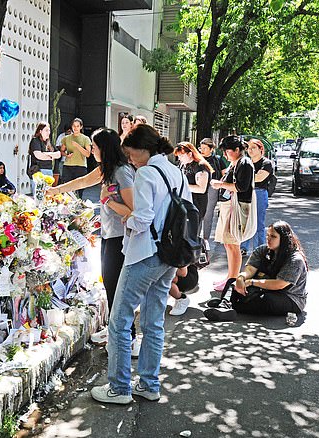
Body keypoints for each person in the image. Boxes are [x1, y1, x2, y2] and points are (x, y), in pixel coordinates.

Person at [91, 124, 191, 405]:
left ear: (143, 149)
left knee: (119, 321)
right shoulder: (176, 172)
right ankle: (149, 384)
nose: (130, 158)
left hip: (144, 254)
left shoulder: (148, 173)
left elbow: (142, 217)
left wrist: (127, 219)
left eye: (131, 153)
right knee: (153, 322)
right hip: (168, 256)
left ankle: (119, 387)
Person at [47, 128, 136, 347]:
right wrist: (55, 191)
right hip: (109, 235)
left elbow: (134, 210)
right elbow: (81, 182)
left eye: (94, 147)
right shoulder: (106, 169)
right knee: (108, 282)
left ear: (104, 149)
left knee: (116, 287)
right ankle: (116, 330)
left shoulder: (122, 172)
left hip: (121, 238)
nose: (92, 150)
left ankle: (128, 336)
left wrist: (107, 201)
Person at [205, 221, 307, 321]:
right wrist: (242, 277)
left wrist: (252, 282)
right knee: (232, 281)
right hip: (266, 288)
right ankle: (225, 305)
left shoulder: (295, 259)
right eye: (267, 235)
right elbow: (250, 269)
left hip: (289, 297)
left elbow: (280, 284)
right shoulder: (262, 250)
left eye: (273, 237)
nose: (268, 239)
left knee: (265, 299)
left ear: (284, 239)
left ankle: (230, 305)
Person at [210, 136, 255, 292]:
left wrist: (220, 184)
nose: (225, 154)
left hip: (236, 207)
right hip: (229, 206)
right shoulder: (236, 163)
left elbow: (242, 187)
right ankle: (230, 277)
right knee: (229, 244)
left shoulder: (245, 163)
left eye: (227, 151)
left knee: (233, 243)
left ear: (237, 150)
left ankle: (232, 279)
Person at [240, 139, 274, 255]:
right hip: (246, 193)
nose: (250, 150)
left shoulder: (266, 163)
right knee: (245, 222)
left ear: (261, 149)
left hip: (259, 193)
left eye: (253, 147)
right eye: (248, 148)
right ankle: (243, 248)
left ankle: (260, 249)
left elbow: (259, 178)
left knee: (258, 223)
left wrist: (244, 178)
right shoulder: (246, 162)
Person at [199, 138, 228, 245]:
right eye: (201, 148)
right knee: (197, 212)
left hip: (212, 188)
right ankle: (196, 237)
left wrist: (220, 184)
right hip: (198, 188)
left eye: (205, 148)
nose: (202, 150)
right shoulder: (197, 159)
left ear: (211, 149)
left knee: (208, 213)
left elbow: (225, 174)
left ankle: (205, 238)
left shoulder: (217, 159)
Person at [174, 142, 213, 219]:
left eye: (181, 155)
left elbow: (201, 189)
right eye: (178, 156)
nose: (179, 158)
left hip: (196, 204)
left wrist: (182, 186)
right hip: (184, 202)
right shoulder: (182, 165)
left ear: (190, 154)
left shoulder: (200, 166)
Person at [60, 118, 92, 196]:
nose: (75, 128)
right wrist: (66, 155)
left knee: (79, 190)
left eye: (77, 126)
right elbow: (61, 151)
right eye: (74, 126)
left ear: (81, 127)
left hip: (80, 167)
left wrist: (77, 146)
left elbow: (88, 154)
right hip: (68, 166)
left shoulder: (85, 139)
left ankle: (78, 205)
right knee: (67, 188)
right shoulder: (66, 138)